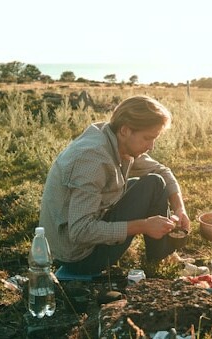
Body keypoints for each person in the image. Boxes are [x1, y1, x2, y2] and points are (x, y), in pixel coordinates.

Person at [39, 95, 190, 278]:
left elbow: (162, 171)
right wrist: (143, 226)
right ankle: (160, 256)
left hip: (87, 229)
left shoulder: (114, 138)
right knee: (151, 184)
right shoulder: (92, 160)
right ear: (125, 130)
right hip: (79, 257)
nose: (151, 146)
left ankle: (160, 256)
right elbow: (80, 232)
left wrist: (179, 208)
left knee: (154, 183)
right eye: (147, 138)